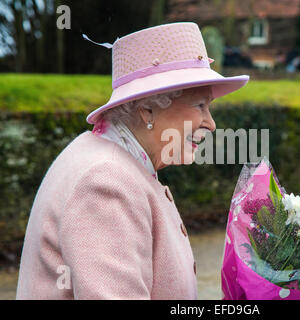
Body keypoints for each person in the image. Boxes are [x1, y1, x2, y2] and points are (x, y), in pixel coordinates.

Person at [15, 22, 249, 300]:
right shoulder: (106, 181)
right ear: (148, 110)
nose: (210, 124)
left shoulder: (110, 158)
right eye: (200, 105)